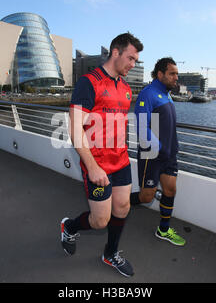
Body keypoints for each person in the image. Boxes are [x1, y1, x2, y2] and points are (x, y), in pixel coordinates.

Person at [60, 33, 143, 277]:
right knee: (100, 221)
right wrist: (93, 167)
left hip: (121, 161)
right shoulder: (89, 82)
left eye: (136, 61)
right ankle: (69, 226)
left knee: (123, 207)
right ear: (115, 52)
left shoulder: (126, 89)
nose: (133, 64)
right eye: (130, 58)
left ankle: (110, 253)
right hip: (97, 165)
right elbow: (75, 129)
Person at [130, 57, 186, 247]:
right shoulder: (149, 93)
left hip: (169, 155)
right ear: (160, 74)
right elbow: (141, 126)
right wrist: (159, 147)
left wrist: (171, 148)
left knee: (170, 190)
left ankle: (163, 229)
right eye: (172, 73)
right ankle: (117, 203)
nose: (175, 77)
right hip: (152, 155)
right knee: (146, 197)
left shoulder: (167, 93)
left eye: (177, 73)